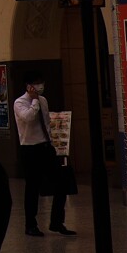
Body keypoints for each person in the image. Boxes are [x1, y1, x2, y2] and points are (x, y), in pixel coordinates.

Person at [14, 72, 75, 237]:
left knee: (61, 183)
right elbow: (28, 117)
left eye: (42, 82)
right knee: (32, 188)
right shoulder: (20, 103)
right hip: (30, 149)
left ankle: (57, 222)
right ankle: (31, 224)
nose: (40, 86)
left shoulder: (44, 100)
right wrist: (34, 100)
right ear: (29, 86)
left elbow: (47, 123)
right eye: (37, 83)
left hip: (46, 147)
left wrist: (53, 144)